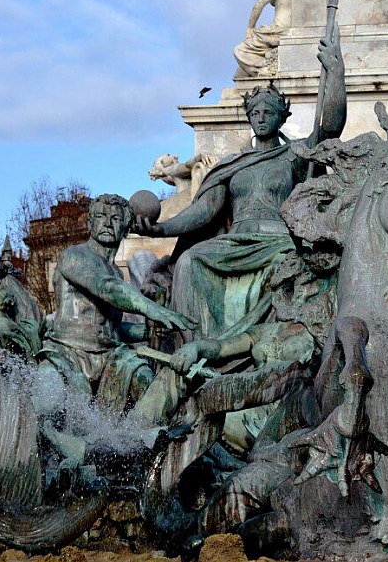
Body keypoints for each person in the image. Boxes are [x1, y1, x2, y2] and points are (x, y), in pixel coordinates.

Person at [134, 30, 347, 342]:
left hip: (279, 241)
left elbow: (330, 128)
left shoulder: (294, 155)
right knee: (190, 261)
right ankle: (195, 347)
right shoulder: (233, 165)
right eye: (255, 113)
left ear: (281, 118)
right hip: (237, 241)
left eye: (268, 113)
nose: (261, 118)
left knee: (288, 265)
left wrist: (336, 73)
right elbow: (203, 212)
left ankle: (268, 342)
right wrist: (160, 229)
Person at [41, 194, 195, 416]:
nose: (107, 223)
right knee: (48, 406)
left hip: (110, 354)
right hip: (67, 351)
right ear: (90, 223)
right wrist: (151, 308)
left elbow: (113, 328)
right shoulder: (74, 256)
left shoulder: (116, 273)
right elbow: (106, 288)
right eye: (100, 217)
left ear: (125, 229)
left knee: (149, 388)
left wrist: (148, 330)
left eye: (115, 219)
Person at [234, 0, 292, 78]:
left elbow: (259, 3)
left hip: (278, 32)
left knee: (239, 50)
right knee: (240, 71)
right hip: (292, 33)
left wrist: (250, 28)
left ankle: (264, 69)